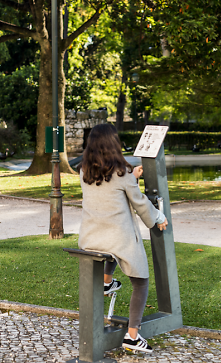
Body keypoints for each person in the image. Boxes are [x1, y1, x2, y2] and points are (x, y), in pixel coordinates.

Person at [78, 123, 168, 353]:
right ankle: (133, 336)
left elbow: (112, 186)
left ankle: (107, 282)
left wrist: (133, 175)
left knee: (110, 249)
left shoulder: (84, 171)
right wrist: (158, 217)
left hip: (90, 238)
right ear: (113, 144)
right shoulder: (123, 174)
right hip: (116, 239)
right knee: (140, 280)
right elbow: (140, 203)